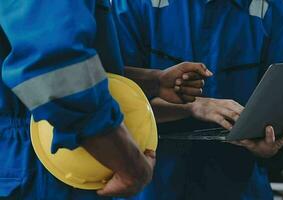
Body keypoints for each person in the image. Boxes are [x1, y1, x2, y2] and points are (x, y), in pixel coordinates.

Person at [0, 0, 211, 199]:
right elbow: (53, 65)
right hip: (44, 163)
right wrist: (130, 165)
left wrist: (153, 82)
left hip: (53, 157)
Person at [113, 0, 283, 199]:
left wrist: (269, 147)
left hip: (239, 184)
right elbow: (113, 101)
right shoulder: (135, 5)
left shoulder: (273, 14)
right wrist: (195, 107)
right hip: (153, 182)